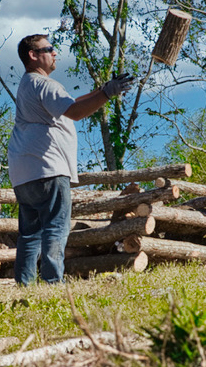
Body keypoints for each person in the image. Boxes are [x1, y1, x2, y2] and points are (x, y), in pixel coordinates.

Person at [8, 34, 134, 284]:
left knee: (30, 234)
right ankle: (54, 283)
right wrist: (107, 95)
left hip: (23, 174)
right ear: (33, 55)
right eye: (49, 49)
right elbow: (75, 112)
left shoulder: (28, 84)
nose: (55, 53)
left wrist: (102, 89)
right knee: (56, 228)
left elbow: (70, 103)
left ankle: (24, 284)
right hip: (49, 169)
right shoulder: (46, 84)